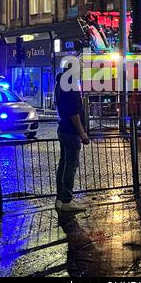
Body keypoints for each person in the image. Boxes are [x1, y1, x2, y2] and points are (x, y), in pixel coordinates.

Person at [54, 69, 90, 212]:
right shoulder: (71, 87)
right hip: (71, 132)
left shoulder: (59, 85)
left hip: (63, 129)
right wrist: (82, 133)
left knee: (63, 164)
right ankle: (67, 200)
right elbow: (74, 113)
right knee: (70, 166)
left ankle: (60, 199)